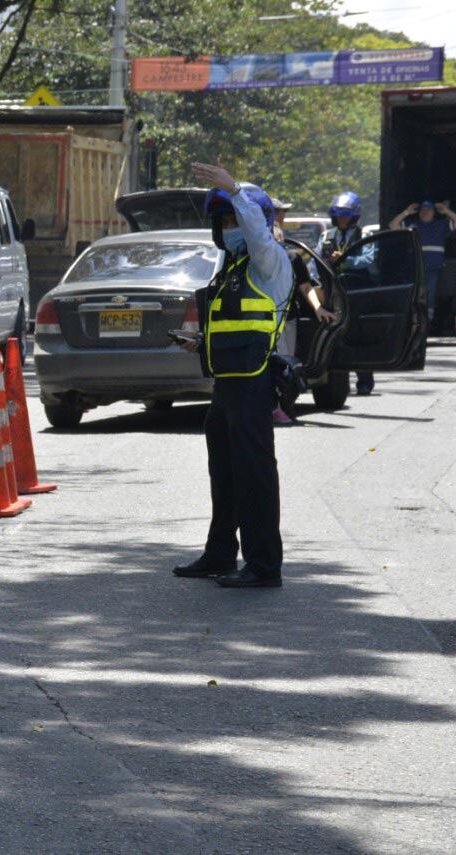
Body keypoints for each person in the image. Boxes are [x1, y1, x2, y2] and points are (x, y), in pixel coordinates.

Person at [173, 163, 290, 588]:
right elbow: (236, 327)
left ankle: (263, 565)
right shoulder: (232, 269)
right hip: (227, 385)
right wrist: (199, 342)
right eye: (221, 222)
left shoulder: (268, 261)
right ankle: (221, 553)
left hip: (254, 383)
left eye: (233, 220)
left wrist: (237, 193)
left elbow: (258, 236)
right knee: (224, 474)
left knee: (254, 474)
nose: (227, 229)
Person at [271, 201, 337, 424]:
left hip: (287, 320)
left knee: (286, 366)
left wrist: (318, 308)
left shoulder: (292, 258)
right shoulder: (256, 259)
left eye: (279, 238)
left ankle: (284, 407)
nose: (277, 240)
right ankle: (271, 407)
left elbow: (306, 287)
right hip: (260, 320)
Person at [323, 191, 374, 395]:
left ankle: (365, 382)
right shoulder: (326, 236)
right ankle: (337, 384)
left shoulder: (364, 236)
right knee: (335, 338)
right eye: (338, 216)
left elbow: (368, 260)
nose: (342, 220)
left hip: (358, 292)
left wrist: (344, 259)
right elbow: (315, 262)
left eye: (346, 216)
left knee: (359, 337)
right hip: (334, 293)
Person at [388, 199, 456, 332]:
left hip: (433, 268)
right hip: (415, 268)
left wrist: (446, 211)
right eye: (423, 210)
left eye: (428, 210)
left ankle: (427, 322)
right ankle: (415, 322)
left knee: (430, 295)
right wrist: (406, 212)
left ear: (434, 212)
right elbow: (392, 225)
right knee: (414, 295)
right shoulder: (412, 225)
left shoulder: (441, 225)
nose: (425, 212)